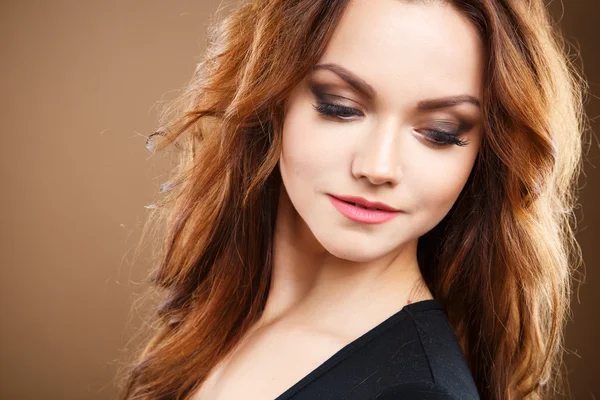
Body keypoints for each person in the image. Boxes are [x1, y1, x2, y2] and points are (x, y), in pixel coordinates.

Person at [119, 0, 587, 399]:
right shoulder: (225, 319)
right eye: (340, 107)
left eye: (439, 133)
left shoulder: (416, 391)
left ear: (483, 156)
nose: (378, 167)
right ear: (272, 98)